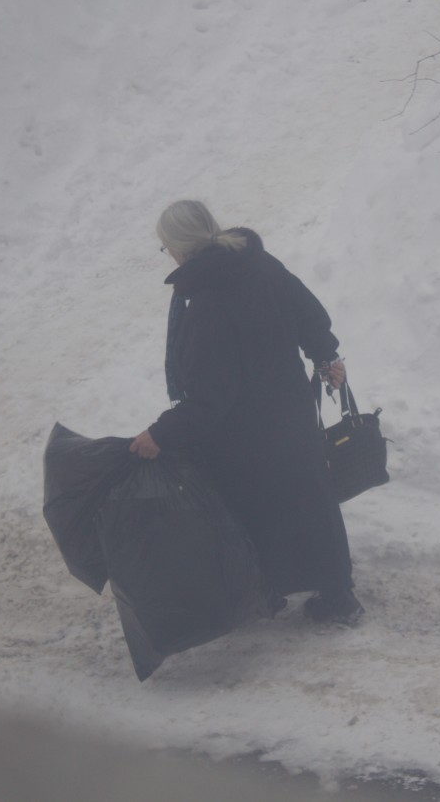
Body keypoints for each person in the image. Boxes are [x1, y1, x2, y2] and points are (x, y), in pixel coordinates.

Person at [129, 200, 364, 625]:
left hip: (242, 432)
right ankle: (336, 596)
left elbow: (209, 396)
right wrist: (325, 356)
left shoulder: (206, 303)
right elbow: (307, 311)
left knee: (246, 509)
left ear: (180, 247)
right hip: (289, 412)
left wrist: (162, 434)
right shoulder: (256, 262)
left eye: (166, 247)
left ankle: (264, 591)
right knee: (310, 502)